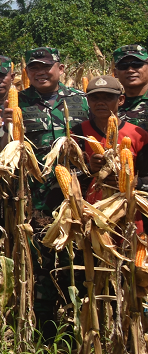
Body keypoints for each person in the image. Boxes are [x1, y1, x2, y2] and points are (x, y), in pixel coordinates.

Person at [16, 46, 88, 335]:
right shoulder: (17, 103)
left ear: (60, 68)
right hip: (37, 200)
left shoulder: (81, 102)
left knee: (79, 260)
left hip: (77, 198)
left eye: (46, 67)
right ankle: (43, 330)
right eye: (34, 68)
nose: (40, 72)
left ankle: (79, 326)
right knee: (40, 265)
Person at [77, 76, 148, 212]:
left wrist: (130, 182)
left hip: (130, 214)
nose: (100, 103)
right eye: (95, 98)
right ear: (88, 101)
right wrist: (89, 169)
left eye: (107, 98)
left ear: (120, 100)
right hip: (91, 214)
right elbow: (67, 176)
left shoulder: (138, 135)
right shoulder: (78, 133)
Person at [113, 45, 148, 129]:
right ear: (115, 73)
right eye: (123, 66)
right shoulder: (112, 105)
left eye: (137, 64)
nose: (130, 70)